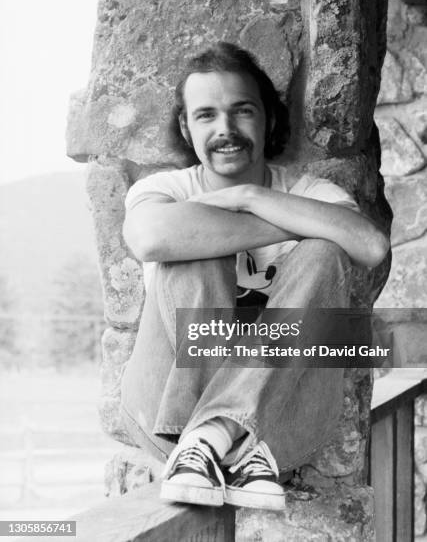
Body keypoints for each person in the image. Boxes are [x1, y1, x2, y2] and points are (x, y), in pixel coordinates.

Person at [120, 42, 389, 511]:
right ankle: (206, 439)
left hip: (273, 434)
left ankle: (211, 440)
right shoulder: (166, 189)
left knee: (325, 253)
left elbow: (371, 246)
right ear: (186, 126)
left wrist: (248, 196)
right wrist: (297, 221)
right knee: (192, 248)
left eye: (241, 111)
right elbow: (148, 238)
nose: (225, 130)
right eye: (205, 115)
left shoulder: (312, 191)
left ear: (268, 117)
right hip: (168, 412)